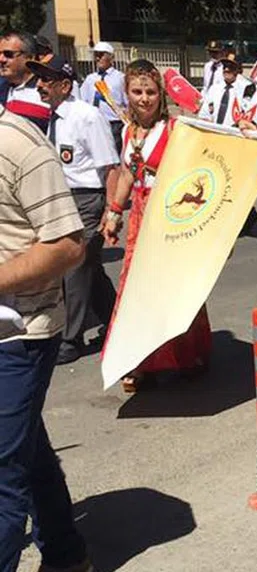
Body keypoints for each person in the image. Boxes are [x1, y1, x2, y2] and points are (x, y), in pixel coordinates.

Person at [0, 103, 90, 572]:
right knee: (24, 447)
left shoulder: (20, 145)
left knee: (2, 473)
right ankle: (66, 553)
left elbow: (67, 245)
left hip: (18, 334)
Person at [100, 59, 212, 393]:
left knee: (176, 286)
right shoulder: (126, 130)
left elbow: (197, 170)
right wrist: (114, 212)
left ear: (160, 95)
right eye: (137, 91)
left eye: (150, 92)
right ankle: (136, 361)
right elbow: (126, 174)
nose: (144, 98)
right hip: (140, 216)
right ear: (128, 93)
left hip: (170, 213)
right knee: (135, 289)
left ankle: (187, 354)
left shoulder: (176, 129)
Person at [29, 56, 120, 366]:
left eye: (46, 80)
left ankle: (70, 338)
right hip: (61, 198)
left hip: (87, 200)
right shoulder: (50, 116)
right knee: (90, 268)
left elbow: (110, 167)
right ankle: (115, 319)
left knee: (74, 267)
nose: (39, 85)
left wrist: (111, 210)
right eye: (38, 79)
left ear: (65, 85)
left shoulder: (87, 117)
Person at [79, 41, 127, 154]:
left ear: (111, 57)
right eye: (96, 55)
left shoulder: (120, 78)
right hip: (93, 122)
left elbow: (127, 102)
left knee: (113, 154)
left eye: (101, 55)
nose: (98, 58)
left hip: (113, 123)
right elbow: (83, 101)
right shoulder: (90, 79)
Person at [0, 31, 50, 132]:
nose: (1, 59)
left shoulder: (48, 90)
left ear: (30, 57)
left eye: (8, 54)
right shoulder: (2, 88)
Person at [198, 52, 247, 125]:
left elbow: (247, 115)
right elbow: (204, 114)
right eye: (224, 66)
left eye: (231, 67)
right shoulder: (214, 88)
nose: (226, 69)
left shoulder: (245, 90)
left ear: (238, 70)